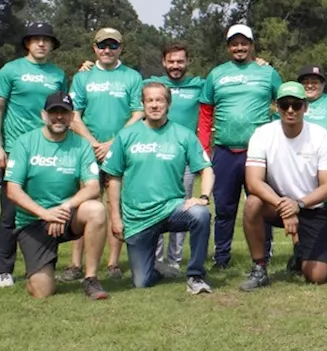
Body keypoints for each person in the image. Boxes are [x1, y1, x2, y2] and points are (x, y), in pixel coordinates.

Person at [102, 83, 215, 294]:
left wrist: (203, 197)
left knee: (200, 214)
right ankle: (157, 268)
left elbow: (206, 169)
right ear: (143, 104)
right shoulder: (126, 136)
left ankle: (195, 276)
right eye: (150, 100)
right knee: (141, 282)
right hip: (138, 216)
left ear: (168, 103)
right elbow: (113, 178)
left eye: (160, 100)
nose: (155, 105)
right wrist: (116, 217)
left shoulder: (183, 135)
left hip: (172, 209)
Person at [3, 91, 110, 300]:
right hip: (33, 221)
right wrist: (45, 214)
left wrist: (64, 208)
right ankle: (39, 269)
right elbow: (12, 190)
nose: (59, 117)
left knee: (96, 209)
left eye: (64, 113)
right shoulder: (25, 143)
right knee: (42, 291)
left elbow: (92, 187)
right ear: (44, 115)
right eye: (54, 112)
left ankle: (91, 279)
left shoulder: (81, 145)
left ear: (71, 117)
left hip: (64, 215)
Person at [0, 21, 68, 288]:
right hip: (15, 150)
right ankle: (4, 270)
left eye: (47, 40)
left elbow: (62, 112)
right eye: (36, 39)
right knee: (11, 209)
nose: (41, 44)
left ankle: (42, 264)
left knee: (47, 206)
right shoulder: (11, 69)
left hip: (47, 150)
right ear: (27, 43)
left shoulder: (58, 74)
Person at [239, 82, 327, 290]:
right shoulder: (263, 135)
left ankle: (300, 252)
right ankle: (259, 267)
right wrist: (285, 207)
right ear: (276, 107)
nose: (291, 110)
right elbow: (253, 182)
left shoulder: (321, 137)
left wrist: (298, 205)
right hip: (276, 204)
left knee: (317, 276)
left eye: (296, 105)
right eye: (285, 105)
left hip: (310, 206)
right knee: (252, 203)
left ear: (306, 107)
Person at [199, 23, 282, 270]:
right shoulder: (216, 74)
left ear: (252, 45)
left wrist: (276, 135)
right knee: (224, 208)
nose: (239, 47)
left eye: (244, 43)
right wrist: (204, 148)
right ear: (228, 47)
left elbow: (286, 102)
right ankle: (221, 258)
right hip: (224, 151)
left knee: (261, 205)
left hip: (257, 153)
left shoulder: (267, 72)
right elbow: (205, 113)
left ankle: (263, 257)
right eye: (234, 43)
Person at [65, 27, 144, 281]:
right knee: (83, 203)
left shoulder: (132, 77)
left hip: (119, 150)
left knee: (115, 205)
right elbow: (73, 115)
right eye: (102, 45)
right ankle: (76, 265)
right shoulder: (82, 77)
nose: (107, 50)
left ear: (121, 47)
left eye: (113, 45)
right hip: (85, 151)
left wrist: (113, 143)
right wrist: (92, 143)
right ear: (94, 48)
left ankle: (112, 265)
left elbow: (138, 113)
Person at [148, 40, 204, 276]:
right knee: (157, 206)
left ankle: (175, 261)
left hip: (187, 159)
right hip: (157, 156)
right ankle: (156, 259)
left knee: (184, 208)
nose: (175, 65)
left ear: (187, 62)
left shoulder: (199, 84)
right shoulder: (151, 85)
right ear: (163, 62)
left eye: (180, 61)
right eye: (171, 61)